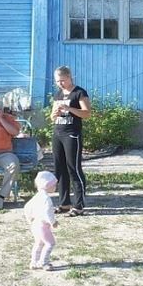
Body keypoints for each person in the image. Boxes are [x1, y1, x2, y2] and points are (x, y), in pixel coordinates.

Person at [49, 66, 91, 216]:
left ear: (69, 77)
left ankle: (79, 205)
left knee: (73, 168)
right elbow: (52, 118)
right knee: (60, 169)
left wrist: (69, 108)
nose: (60, 84)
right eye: (57, 81)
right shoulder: (58, 94)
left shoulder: (79, 92)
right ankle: (64, 203)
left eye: (62, 80)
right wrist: (55, 113)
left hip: (72, 134)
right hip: (58, 133)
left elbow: (87, 113)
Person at [24, 170, 59, 270]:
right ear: (48, 186)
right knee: (50, 243)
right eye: (54, 185)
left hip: (35, 224)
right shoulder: (46, 199)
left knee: (38, 243)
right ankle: (44, 262)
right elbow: (48, 212)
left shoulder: (36, 197)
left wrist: (29, 219)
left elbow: (27, 208)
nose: (55, 187)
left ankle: (33, 262)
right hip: (43, 226)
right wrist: (53, 222)